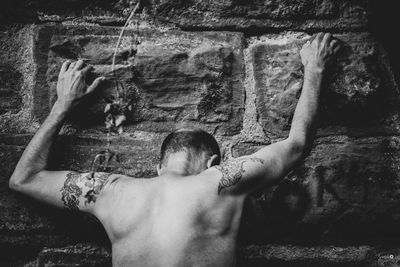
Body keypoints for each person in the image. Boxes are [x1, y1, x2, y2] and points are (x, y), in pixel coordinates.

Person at [9, 32, 340, 267]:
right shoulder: (218, 181)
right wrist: (315, 68)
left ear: (159, 166)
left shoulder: (109, 192)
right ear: (212, 161)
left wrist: (63, 105)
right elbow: (297, 144)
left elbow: (24, 178)